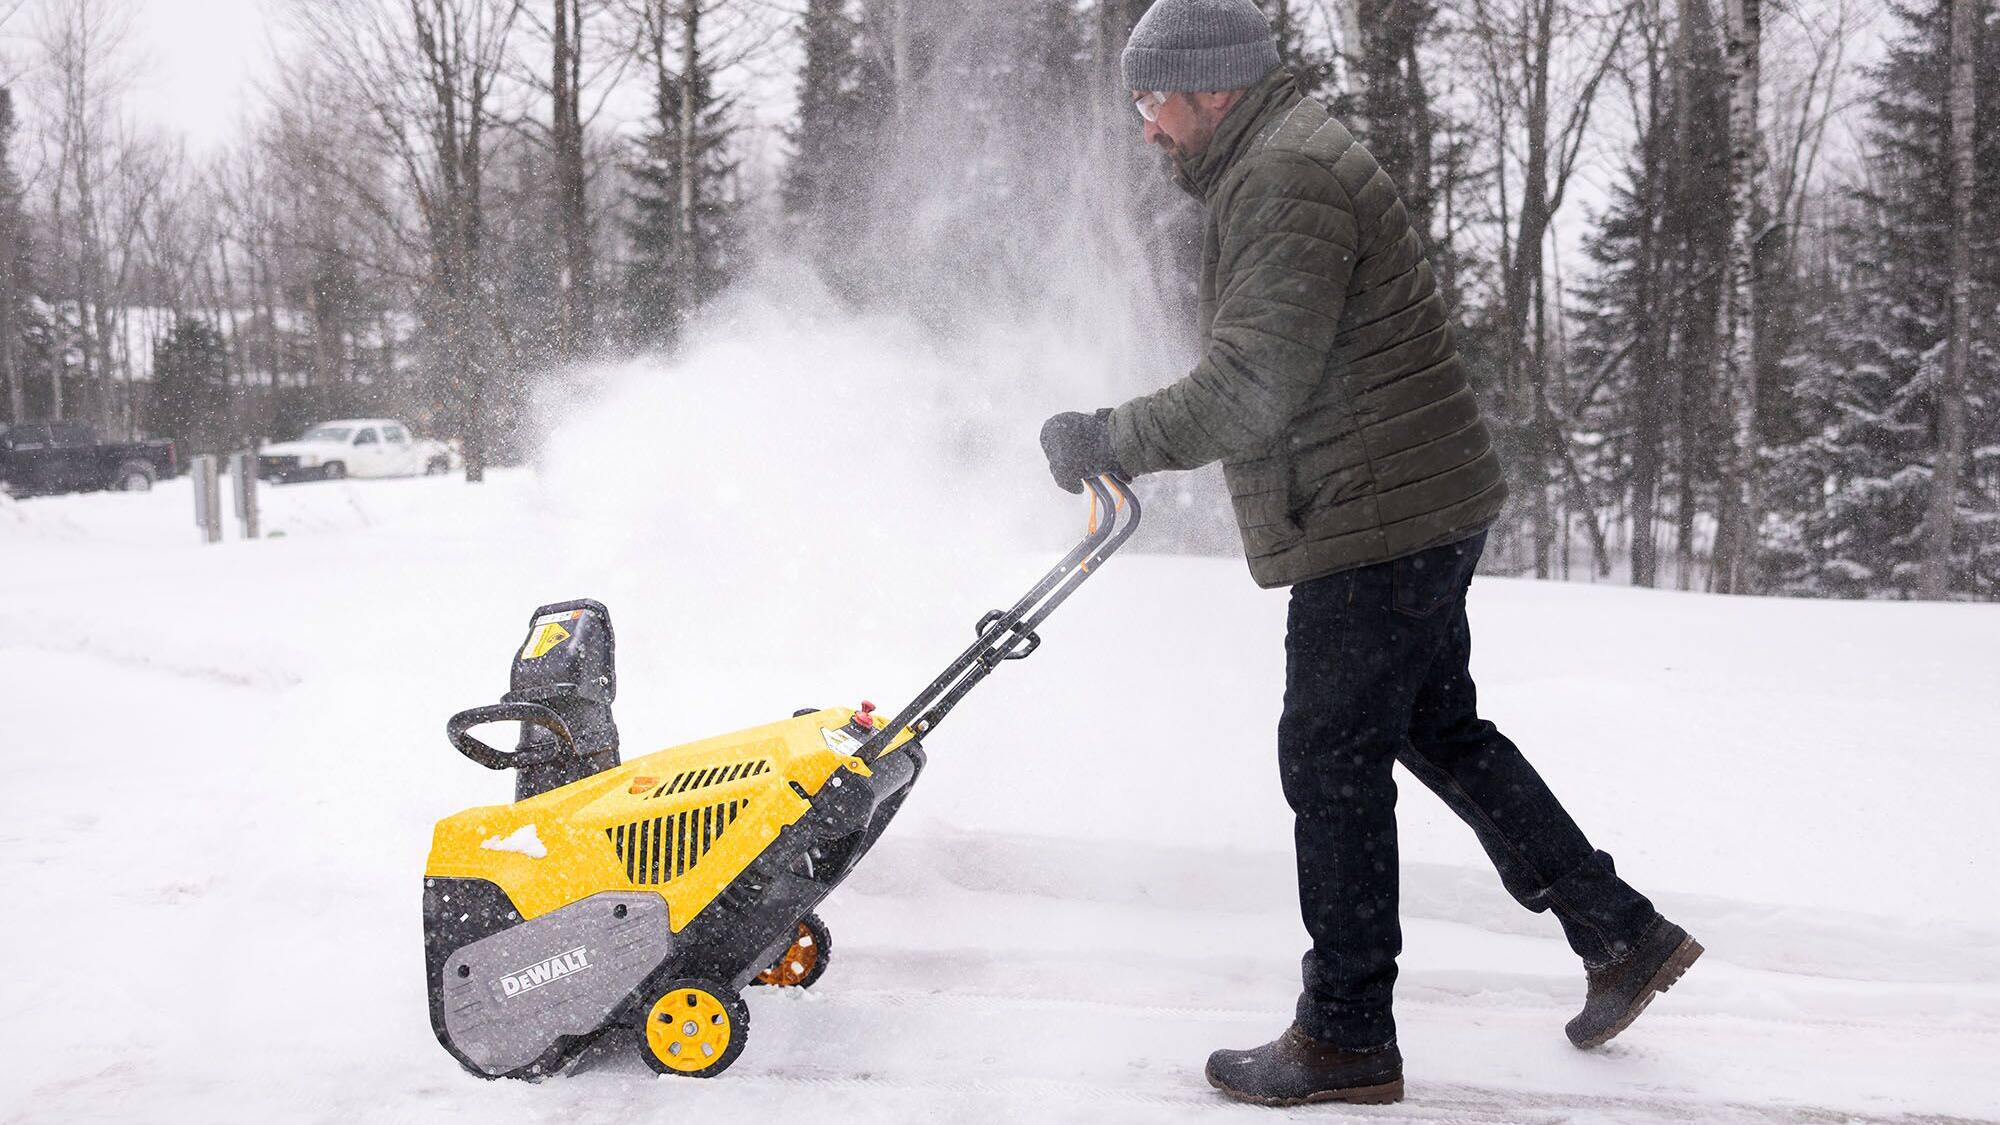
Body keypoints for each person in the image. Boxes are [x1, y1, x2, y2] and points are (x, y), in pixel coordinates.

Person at [1037, 0, 1702, 1107]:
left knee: (1329, 758)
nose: (1145, 127)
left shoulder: (1283, 180)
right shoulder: (1279, 158)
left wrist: (1110, 437)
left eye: (1152, 102)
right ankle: (1617, 932)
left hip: (1376, 514)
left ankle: (1346, 1032)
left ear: (1209, 89)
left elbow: (1250, 389)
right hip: (1411, 496)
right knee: (1435, 729)